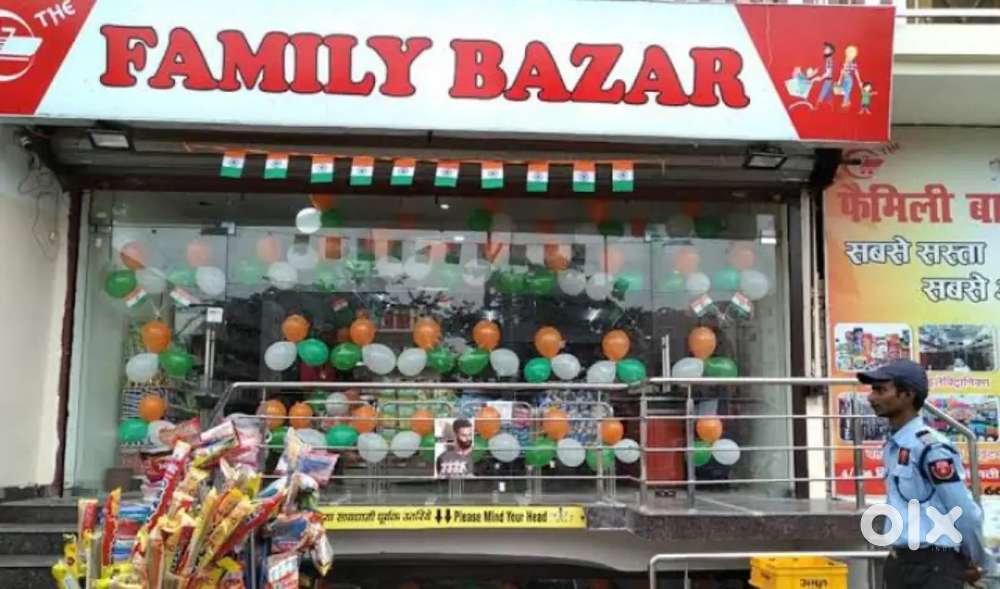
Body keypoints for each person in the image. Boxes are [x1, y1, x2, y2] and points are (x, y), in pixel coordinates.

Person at [858, 359, 994, 588]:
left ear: (907, 395)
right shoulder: (895, 445)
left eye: (880, 390)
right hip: (902, 563)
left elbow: (963, 511)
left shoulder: (931, 448)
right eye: (873, 390)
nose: (871, 398)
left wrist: (979, 561)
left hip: (932, 568)